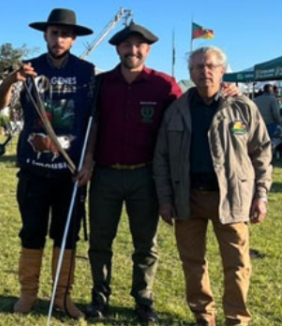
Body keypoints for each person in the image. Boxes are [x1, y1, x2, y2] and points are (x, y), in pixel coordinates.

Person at [153, 46, 272, 326]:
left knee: (237, 264)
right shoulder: (177, 110)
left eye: (210, 66)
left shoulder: (242, 106)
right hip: (188, 198)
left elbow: (262, 152)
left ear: (222, 70)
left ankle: (236, 318)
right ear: (190, 73)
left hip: (233, 198)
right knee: (193, 264)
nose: (204, 71)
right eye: (197, 67)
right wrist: (166, 199)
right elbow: (162, 158)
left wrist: (261, 195)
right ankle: (204, 315)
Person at [0, 8, 95, 318]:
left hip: (71, 172)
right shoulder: (28, 69)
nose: (59, 38)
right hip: (34, 170)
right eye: (54, 33)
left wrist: (89, 159)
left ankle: (63, 298)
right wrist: (11, 79)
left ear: (74, 39)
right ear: (45, 35)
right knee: (32, 231)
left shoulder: (86, 72)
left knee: (67, 235)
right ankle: (28, 294)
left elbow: (94, 119)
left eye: (65, 34)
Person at [76, 23, 180, 324]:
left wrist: (229, 90)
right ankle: (99, 296)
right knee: (99, 241)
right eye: (126, 45)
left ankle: (144, 299)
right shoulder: (102, 83)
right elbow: (93, 123)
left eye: (139, 46)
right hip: (105, 175)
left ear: (147, 50)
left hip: (145, 176)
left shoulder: (164, 85)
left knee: (146, 244)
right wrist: (89, 158)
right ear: (117, 49)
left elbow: (186, 112)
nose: (132, 51)